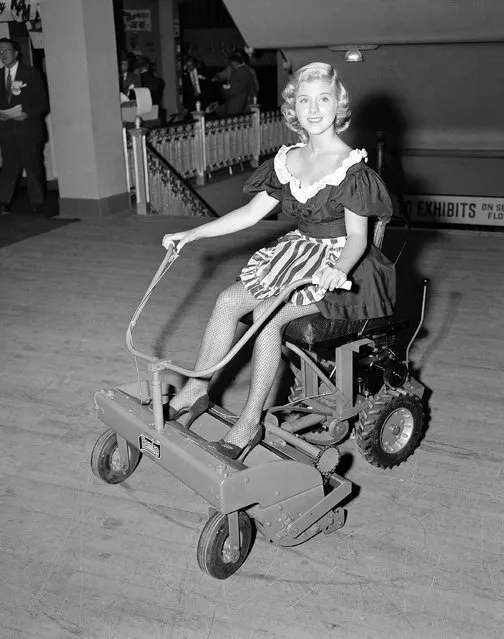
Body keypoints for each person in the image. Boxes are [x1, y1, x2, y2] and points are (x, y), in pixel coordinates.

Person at [161, 62, 395, 459]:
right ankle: (196, 388)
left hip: (340, 265)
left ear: (339, 104)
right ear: (293, 108)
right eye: (304, 100)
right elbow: (250, 215)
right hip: (298, 252)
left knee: (267, 316)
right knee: (227, 301)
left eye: (324, 99)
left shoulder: (352, 170)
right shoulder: (288, 161)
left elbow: (358, 237)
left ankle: (249, 422)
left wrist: (336, 270)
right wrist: (193, 233)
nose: (314, 108)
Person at [0, 38, 49, 216]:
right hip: (6, 130)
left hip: (28, 129)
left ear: (16, 53)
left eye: (6, 50)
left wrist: (27, 113)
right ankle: (3, 202)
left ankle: (37, 202)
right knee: (8, 167)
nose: (3, 54)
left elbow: (43, 103)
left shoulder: (31, 73)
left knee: (33, 166)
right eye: (0, 52)